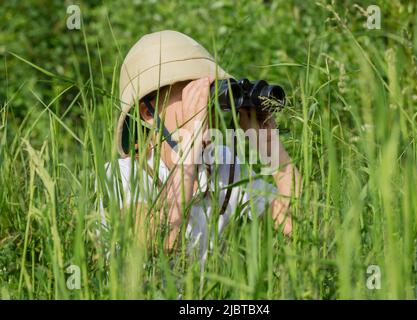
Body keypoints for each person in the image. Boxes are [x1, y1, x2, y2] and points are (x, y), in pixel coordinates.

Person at [99, 30, 301, 262]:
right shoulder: (121, 175)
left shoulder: (221, 165)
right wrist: (191, 139)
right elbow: (164, 239)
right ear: (148, 113)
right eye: (194, 99)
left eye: (210, 99)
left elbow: (297, 227)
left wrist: (271, 147)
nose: (205, 112)